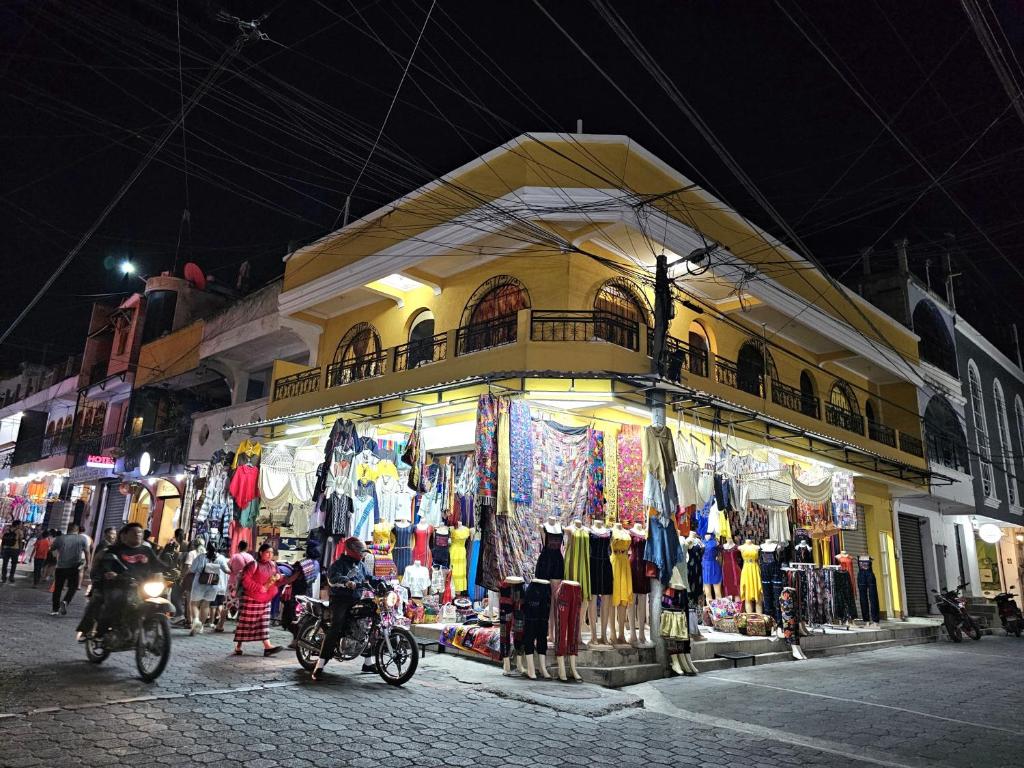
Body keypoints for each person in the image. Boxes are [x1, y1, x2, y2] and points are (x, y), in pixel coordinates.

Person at [311, 537, 371, 681]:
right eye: (361, 551)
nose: (363, 554)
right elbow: (332, 579)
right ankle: (320, 664)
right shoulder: (338, 564)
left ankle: (368, 663)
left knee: (368, 624)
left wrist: (383, 582)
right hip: (340, 600)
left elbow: (370, 577)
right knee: (336, 626)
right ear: (351, 550)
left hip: (356, 599)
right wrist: (346, 582)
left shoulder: (361, 565)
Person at [93, 523, 165, 635]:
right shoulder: (114, 550)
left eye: (140, 533)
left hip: (141, 585)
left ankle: (146, 624)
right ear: (124, 535)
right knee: (114, 600)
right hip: (118, 585)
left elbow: (157, 564)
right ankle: (101, 632)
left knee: (156, 601)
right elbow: (105, 564)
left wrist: (171, 569)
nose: (138, 535)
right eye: (134, 533)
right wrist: (110, 573)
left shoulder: (147, 550)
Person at [233, 544, 283, 656]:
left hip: (266, 599)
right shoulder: (253, 565)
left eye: (271, 553)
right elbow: (246, 580)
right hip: (251, 598)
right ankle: (238, 646)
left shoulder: (273, 564)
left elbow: (278, 575)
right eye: (267, 552)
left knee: (263, 623)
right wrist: (260, 588)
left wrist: (279, 577)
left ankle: (267, 646)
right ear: (261, 553)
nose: (270, 555)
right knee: (245, 623)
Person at [188, 543, 229, 635]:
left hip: (199, 584)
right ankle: (201, 626)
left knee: (194, 604)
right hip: (214, 585)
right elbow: (227, 570)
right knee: (206, 605)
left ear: (207, 548)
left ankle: (195, 620)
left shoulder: (200, 557)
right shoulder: (221, 558)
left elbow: (192, 569)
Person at [50, 523, 90, 616]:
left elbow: (52, 549)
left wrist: (57, 558)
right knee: (73, 586)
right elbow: (87, 552)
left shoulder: (60, 538)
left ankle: (55, 609)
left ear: (68, 529)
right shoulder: (82, 538)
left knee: (58, 589)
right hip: (74, 567)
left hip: (60, 567)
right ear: (77, 530)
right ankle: (66, 601)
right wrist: (88, 564)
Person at [218, 540, 253, 632]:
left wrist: (235, 571)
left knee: (227, 604)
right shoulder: (251, 558)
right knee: (242, 605)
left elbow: (229, 567)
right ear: (247, 547)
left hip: (233, 584)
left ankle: (220, 625)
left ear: (238, 547)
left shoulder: (235, 556)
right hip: (245, 585)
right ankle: (239, 627)